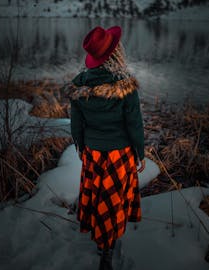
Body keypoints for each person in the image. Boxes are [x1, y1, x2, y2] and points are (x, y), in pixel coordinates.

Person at [68, 25, 146, 270]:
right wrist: (140, 153)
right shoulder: (125, 86)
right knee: (112, 200)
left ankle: (102, 243)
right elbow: (134, 124)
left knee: (98, 196)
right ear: (116, 54)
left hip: (93, 152)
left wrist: (80, 147)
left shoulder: (80, 85)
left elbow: (76, 123)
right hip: (119, 154)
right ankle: (107, 251)